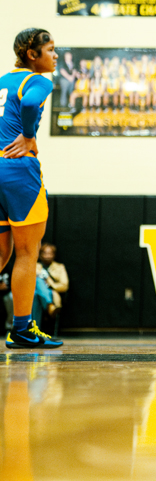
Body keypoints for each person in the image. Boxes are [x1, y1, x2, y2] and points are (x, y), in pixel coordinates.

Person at [0, 28, 63, 348]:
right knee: (27, 252)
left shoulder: (2, 81)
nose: (55, 55)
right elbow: (31, 105)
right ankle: (22, 329)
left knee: (0, 255)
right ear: (32, 55)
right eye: (50, 50)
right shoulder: (37, 79)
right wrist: (27, 135)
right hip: (16, 170)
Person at [37, 241, 68, 332]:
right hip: (33, 295)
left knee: (37, 292)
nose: (47, 256)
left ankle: (34, 330)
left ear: (54, 255)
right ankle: (49, 305)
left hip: (52, 294)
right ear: (40, 254)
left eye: (50, 253)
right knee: (37, 285)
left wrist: (51, 283)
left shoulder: (59, 267)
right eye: (45, 253)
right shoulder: (35, 266)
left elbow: (64, 286)